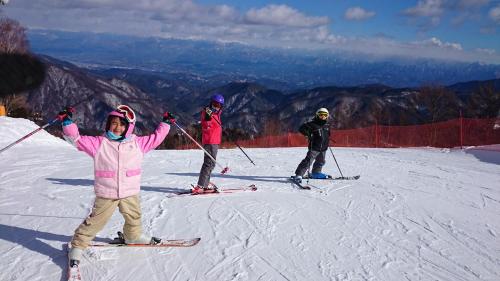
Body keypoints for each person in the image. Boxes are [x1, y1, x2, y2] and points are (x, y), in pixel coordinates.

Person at [59, 105, 176, 268]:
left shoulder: (138, 144)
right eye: (114, 123)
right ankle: (78, 245)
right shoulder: (99, 143)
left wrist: (165, 123)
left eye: (122, 124)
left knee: (134, 217)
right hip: (107, 192)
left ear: (129, 127)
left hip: (130, 191)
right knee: (96, 221)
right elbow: (76, 139)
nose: (118, 128)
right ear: (108, 124)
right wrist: (67, 122)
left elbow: (156, 138)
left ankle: (133, 236)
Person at [192, 94, 224, 194]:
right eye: (214, 103)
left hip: (214, 141)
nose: (216, 106)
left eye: (218, 105)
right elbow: (206, 125)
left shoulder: (216, 114)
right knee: (209, 163)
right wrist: (207, 117)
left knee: (211, 163)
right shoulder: (208, 113)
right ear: (211, 103)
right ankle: (201, 185)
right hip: (210, 141)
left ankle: (204, 183)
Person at [291, 108, 331, 183]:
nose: (323, 116)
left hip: (323, 148)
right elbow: (301, 129)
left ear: (327, 116)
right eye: (321, 114)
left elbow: (328, 134)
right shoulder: (312, 124)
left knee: (321, 161)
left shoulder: (326, 125)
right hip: (314, 147)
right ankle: (299, 174)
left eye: (325, 115)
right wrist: (308, 134)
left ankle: (316, 173)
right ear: (317, 115)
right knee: (308, 161)